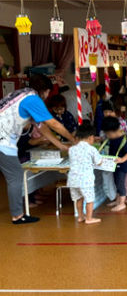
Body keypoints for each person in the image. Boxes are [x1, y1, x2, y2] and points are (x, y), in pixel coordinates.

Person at [0, 74, 75, 224]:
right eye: (48, 92)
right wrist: (74, 140)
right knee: (15, 177)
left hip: (5, 141)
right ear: (46, 90)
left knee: (15, 176)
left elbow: (43, 127)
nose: (47, 96)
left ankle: (18, 213)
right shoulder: (33, 99)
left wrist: (61, 145)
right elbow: (54, 124)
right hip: (3, 141)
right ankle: (17, 216)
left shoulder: (21, 94)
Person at [67, 122, 103, 224]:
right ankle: (89, 218)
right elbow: (99, 162)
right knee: (89, 199)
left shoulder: (71, 149)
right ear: (91, 137)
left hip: (73, 179)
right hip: (85, 180)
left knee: (79, 199)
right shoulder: (91, 149)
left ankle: (80, 217)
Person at [101, 116, 127, 212]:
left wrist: (122, 159)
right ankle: (118, 200)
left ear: (114, 131)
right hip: (115, 165)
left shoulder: (123, 139)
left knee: (120, 184)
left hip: (122, 166)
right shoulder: (112, 138)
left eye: (108, 134)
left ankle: (122, 203)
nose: (107, 135)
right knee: (116, 182)